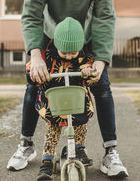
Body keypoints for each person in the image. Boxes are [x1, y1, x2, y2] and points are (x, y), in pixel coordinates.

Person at [7, 0, 129, 178]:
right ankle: (26, 145)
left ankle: (111, 152)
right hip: (50, 40)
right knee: (34, 81)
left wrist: (100, 60)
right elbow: (31, 15)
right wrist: (36, 55)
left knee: (101, 85)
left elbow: (105, 16)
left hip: (84, 40)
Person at [26, 18, 95, 181]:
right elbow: (31, 70)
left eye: (74, 53)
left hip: (76, 101)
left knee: (80, 124)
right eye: (65, 53)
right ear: (57, 45)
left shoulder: (83, 59)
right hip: (54, 103)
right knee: (52, 130)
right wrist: (35, 74)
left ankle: (79, 149)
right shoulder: (46, 56)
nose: (70, 56)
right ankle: (47, 163)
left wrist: (88, 72)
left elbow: (90, 73)